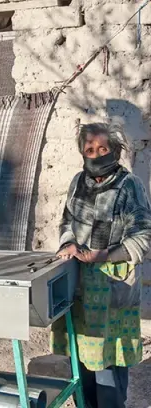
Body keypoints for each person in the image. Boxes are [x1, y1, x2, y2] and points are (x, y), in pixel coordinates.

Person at [51, 122, 151, 408]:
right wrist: (69, 243)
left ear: (115, 151)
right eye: (90, 149)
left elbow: (142, 235)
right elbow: (66, 221)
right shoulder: (77, 182)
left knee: (108, 362)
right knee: (80, 356)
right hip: (80, 285)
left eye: (103, 148)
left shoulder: (129, 184)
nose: (96, 154)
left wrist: (103, 255)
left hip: (112, 288)